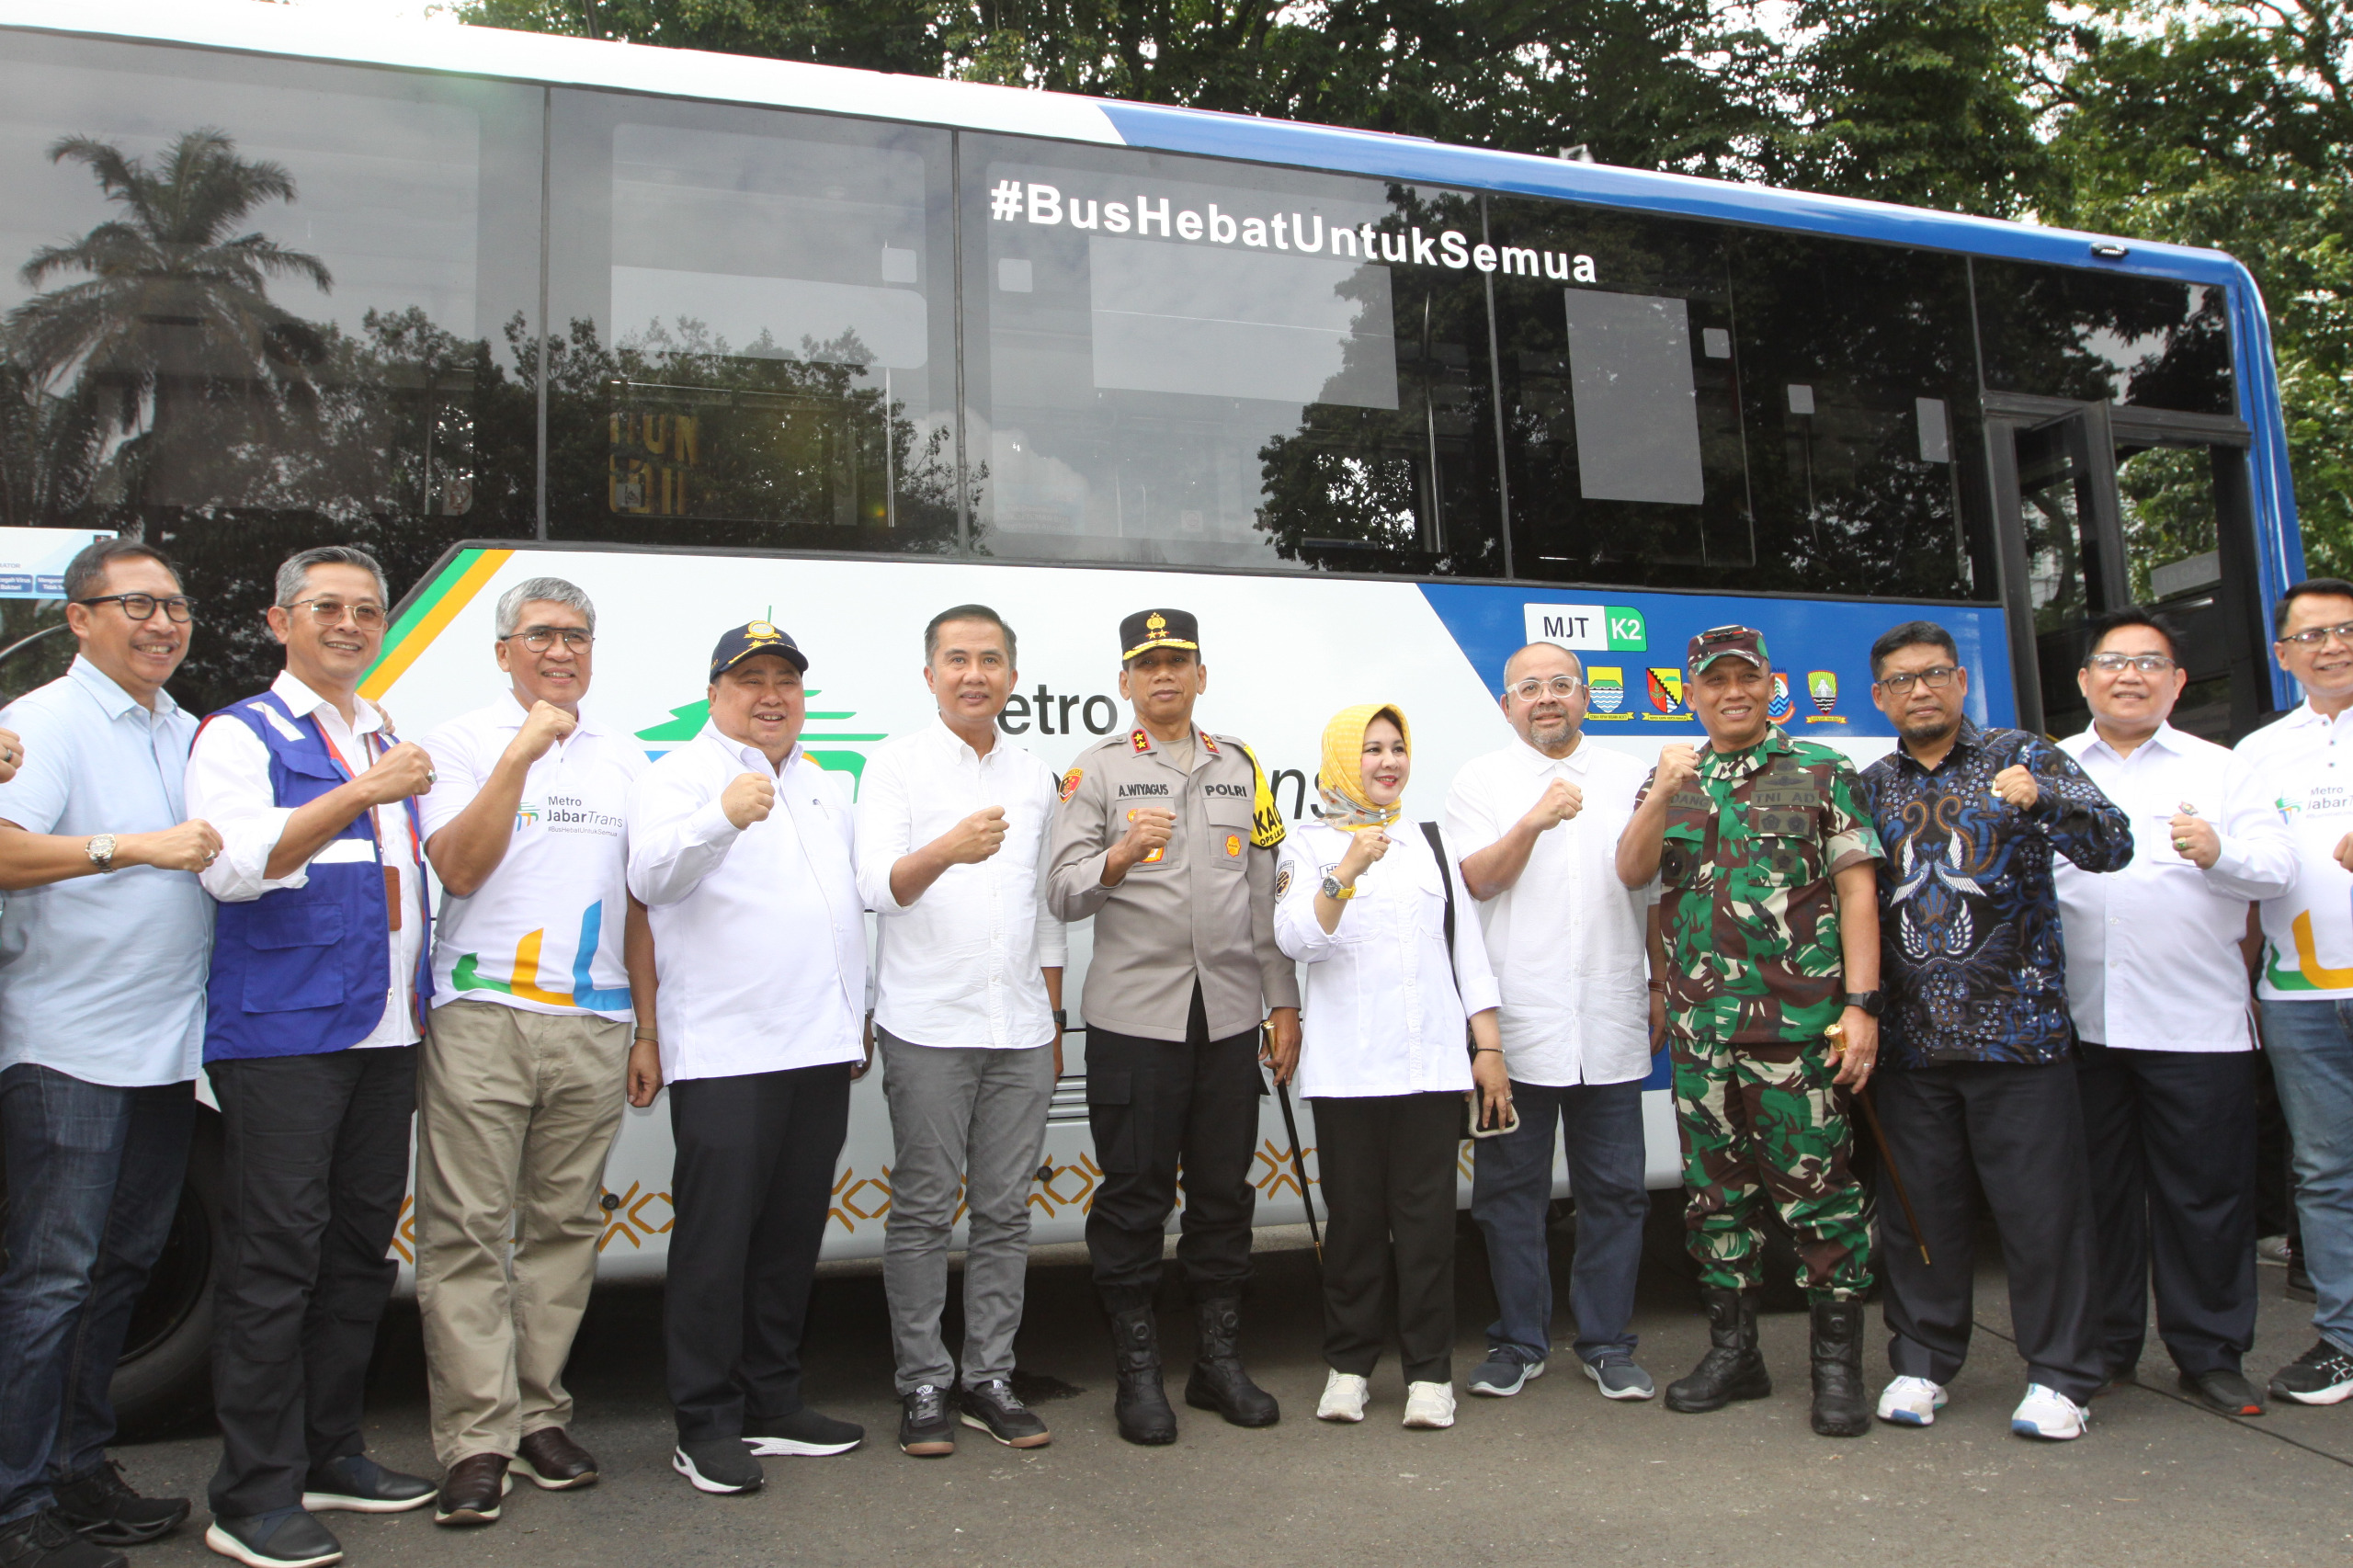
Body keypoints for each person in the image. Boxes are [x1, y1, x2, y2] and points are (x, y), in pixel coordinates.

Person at [185, 546, 439, 1568]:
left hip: (385, 1032)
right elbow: (237, 870)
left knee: (355, 1257)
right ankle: (249, 1492)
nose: (350, 623)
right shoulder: (239, 734)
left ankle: (331, 1450)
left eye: (367, 609)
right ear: (278, 620)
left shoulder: (379, 728)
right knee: (273, 1261)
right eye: (326, 606)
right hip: (286, 1038)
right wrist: (361, 790)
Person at [412, 577, 659, 1525]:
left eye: (578, 636)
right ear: (504, 648)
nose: (563, 651)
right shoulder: (462, 740)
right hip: (483, 1013)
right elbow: (461, 867)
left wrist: (646, 1024)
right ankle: (476, 1437)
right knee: (467, 1229)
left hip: (594, 1024)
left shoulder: (627, 757)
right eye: (543, 634)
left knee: (561, 1228)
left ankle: (540, 1411)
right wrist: (521, 751)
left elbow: (638, 903)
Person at [1857, 619, 2132, 1442]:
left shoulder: (2025, 756)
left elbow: (2113, 844)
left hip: (2019, 1036)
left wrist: (2043, 801)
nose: (1921, 690)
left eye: (1935, 674)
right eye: (1902, 680)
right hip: (1910, 1043)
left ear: (1959, 682)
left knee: (2042, 1215)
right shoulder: (1871, 785)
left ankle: (2061, 1378)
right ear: (1881, 697)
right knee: (1918, 1216)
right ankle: (1923, 1363)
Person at [0, 540, 220, 1568]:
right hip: (66, 1050)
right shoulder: (45, 722)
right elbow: (3, 851)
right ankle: (13, 1500)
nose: (163, 622)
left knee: (121, 1267)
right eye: (137, 604)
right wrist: (128, 844)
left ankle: (79, 1468)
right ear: (81, 617)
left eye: (175, 605)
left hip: (163, 1048)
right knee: (51, 1277)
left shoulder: (183, 726)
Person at [1615, 624, 1884, 1440]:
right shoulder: (1676, 779)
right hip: (1703, 1037)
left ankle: (1837, 1374)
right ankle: (1736, 1356)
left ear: (1771, 687)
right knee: (1714, 1203)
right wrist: (1663, 791)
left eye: (1745, 678)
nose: (1731, 691)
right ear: (1691, 693)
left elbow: (1858, 891)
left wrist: (1861, 1005)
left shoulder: (1820, 771)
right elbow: (1634, 876)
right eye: (1714, 680)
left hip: (1798, 1030)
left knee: (1820, 1203)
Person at [1044, 608, 1302, 1446]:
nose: (1163, 677)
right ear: (1124, 682)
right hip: (1135, 1022)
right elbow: (1060, 891)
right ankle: (1139, 1376)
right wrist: (1117, 856)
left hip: (1228, 1018)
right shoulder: (1100, 772)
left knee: (1224, 1194)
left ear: (1201, 676)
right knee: (1134, 1200)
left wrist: (1283, 1002)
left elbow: (1263, 896)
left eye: (1177, 663)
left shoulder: (1240, 767)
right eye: (1146, 664)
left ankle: (1218, 1366)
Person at [627, 621, 868, 1495]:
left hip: (817, 1045)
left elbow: (836, 906)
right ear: (713, 693)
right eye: (751, 680)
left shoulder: (823, 783)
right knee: (716, 1245)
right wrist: (718, 819)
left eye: (786, 682)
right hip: (727, 1050)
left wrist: (855, 1017)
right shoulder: (679, 776)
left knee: (787, 1237)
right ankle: (705, 1422)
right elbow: (650, 879)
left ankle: (773, 1400)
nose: (772, 696)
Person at [2055, 608, 2293, 1417]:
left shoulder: (2223, 770)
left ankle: (2210, 1355)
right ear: (2085, 679)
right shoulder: (2049, 769)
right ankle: (2108, 1349)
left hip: (2196, 1024)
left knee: (2206, 1198)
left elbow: (2276, 870)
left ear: (2177, 682)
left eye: (2150, 663)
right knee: (2097, 1198)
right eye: (2113, 662)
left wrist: (2219, 851)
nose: (2131, 675)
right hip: (2082, 1026)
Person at [853, 605, 1065, 1459]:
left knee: (1007, 1212)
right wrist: (947, 847)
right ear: (930, 673)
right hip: (927, 1024)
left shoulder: (1036, 774)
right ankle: (924, 1383)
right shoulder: (894, 766)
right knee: (923, 1210)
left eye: (989, 660)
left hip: (1019, 1025)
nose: (973, 674)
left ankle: (989, 1377)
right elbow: (875, 886)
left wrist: (1051, 1018)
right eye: (956, 660)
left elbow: (1047, 913)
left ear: (1013, 675)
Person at [1275, 704, 1510, 1431]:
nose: (1387, 762)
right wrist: (1345, 870)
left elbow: (1466, 950)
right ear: (1344, 759)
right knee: (1353, 1226)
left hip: (1432, 1067)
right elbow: (1295, 940)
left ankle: (1430, 1376)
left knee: (1429, 1228)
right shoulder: (1306, 843)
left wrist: (1489, 1049)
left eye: (1397, 748)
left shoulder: (1429, 840)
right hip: (1349, 1071)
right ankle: (1348, 1369)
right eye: (1371, 750)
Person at [1446, 642, 1662, 1403]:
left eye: (1562, 685)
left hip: (1611, 1016)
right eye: (1530, 688)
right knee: (1510, 1195)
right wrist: (1535, 820)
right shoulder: (1482, 780)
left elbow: (1657, 893)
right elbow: (1475, 881)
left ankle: (1608, 1342)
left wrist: (1661, 984)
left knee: (1616, 1192)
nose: (1547, 698)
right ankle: (1519, 1341)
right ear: (1507, 705)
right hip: (1519, 1029)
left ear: (1586, 697)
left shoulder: (1633, 776)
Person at [2230, 576, 2353, 1406]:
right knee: (2325, 1172)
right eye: (2311, 636)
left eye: (2344, 630)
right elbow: (2243, 880)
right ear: (2283, 656)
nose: (2332, 646)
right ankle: (2343, 1340)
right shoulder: (2259, 752)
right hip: (2300, 996)